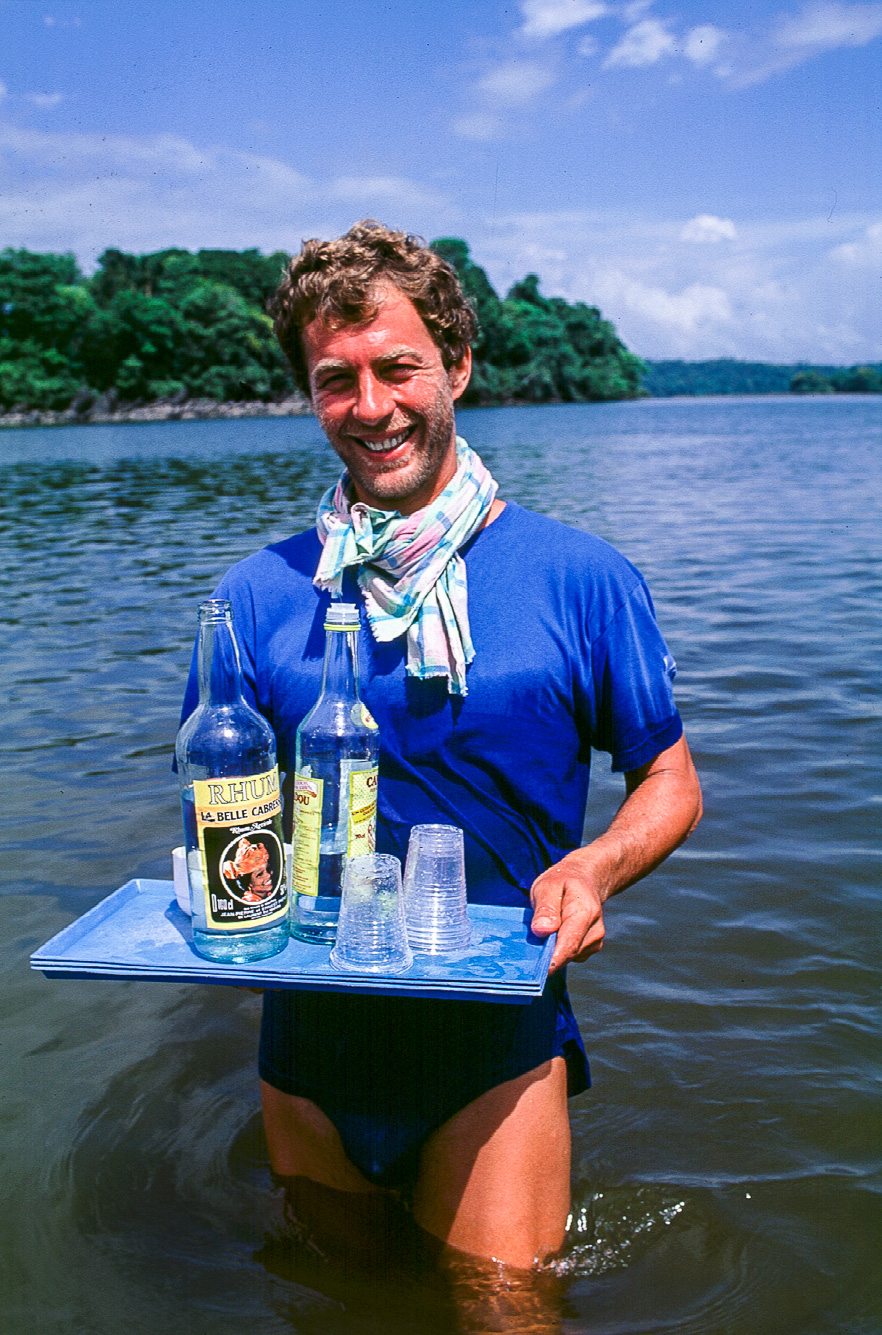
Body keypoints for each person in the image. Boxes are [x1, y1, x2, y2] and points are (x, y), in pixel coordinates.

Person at [180, 220, 702, 1274]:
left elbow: (670, 779)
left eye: (398, 367)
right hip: (306, 1054)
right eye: (336, 379)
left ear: (457, 365)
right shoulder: (252, 599)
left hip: (492, 1053)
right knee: (326, 1296)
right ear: (310, 392)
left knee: (505, 1313)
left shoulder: (579, 577)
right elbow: (216, 810)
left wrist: (595, 866)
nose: (370, 407)